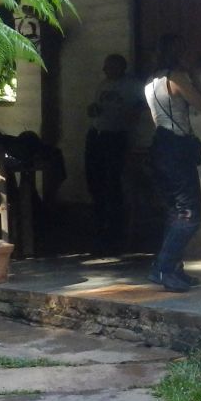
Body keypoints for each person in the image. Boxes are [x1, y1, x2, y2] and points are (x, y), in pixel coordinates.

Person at [144, 35, 201, 291]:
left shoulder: (151, 81)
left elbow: (156, 118)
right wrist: (196, 78)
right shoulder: (177, 78)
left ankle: (173, 269)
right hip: (177, 147)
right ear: (178, 54)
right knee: (190, 214)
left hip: (160, 144)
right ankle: (163, 267)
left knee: (174, 211)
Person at [85, 53, 142, 253]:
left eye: (109, 66)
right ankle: (99, 223)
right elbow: (97, 106)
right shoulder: (103, 85)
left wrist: (131, 114)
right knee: (94, 179)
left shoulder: (131, 85)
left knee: (113, 181)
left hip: (116, 135)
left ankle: (114, 228)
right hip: (97, 134)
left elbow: (143, 103)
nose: (105, 70)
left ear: (120, 67)